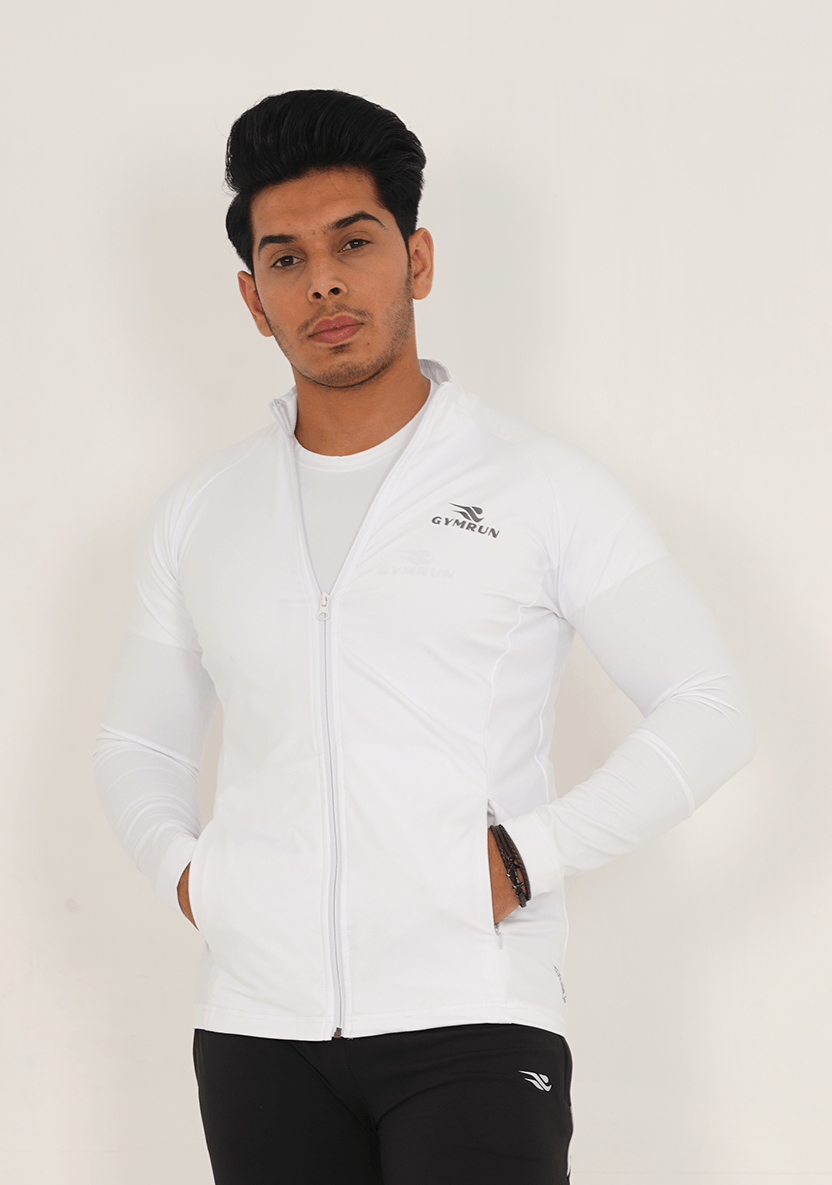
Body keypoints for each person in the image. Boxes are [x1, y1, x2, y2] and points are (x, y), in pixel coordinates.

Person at [95, 89, 755, 1184]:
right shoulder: (202, 513)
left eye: (353, 243)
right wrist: (194, 876)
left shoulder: (541, 487)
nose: (324, 282)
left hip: (473, 1015)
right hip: (257, 1031)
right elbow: (138, 744)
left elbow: (710, 709)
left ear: (419, 258)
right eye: (287, 259)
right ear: (254, 299)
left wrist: (525, 858)